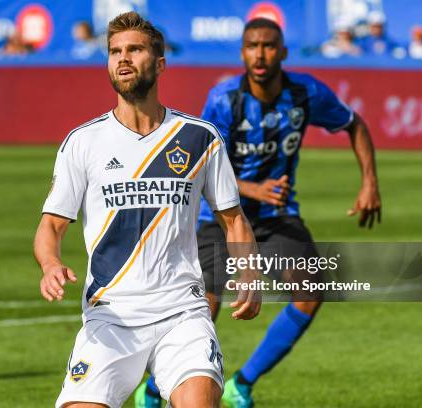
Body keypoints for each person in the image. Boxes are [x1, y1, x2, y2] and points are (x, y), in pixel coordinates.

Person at [136, 18, 381, 408]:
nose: (260, 54)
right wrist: (252, 188)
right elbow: (201, 163)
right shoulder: (224, 99)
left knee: (310, 289)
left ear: (282, 52)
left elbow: (354, 124)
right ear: (242, 53)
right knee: (207, 305)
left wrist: (370, 182)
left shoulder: (305, 93)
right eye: (252, 46)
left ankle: (242, 385)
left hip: (274, 217)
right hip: (217, 216)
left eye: (269, 46)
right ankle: (152, 390)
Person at [34, 11, 261, 408]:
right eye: (114, 51)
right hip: (110, 317)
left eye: (134, 49)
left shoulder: (199, 138)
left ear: (159, 63)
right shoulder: (83, 142)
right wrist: (51, 264)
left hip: (183, 314)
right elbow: (51, 226)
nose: (122, 58)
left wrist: (249, 272)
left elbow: (233, 219)